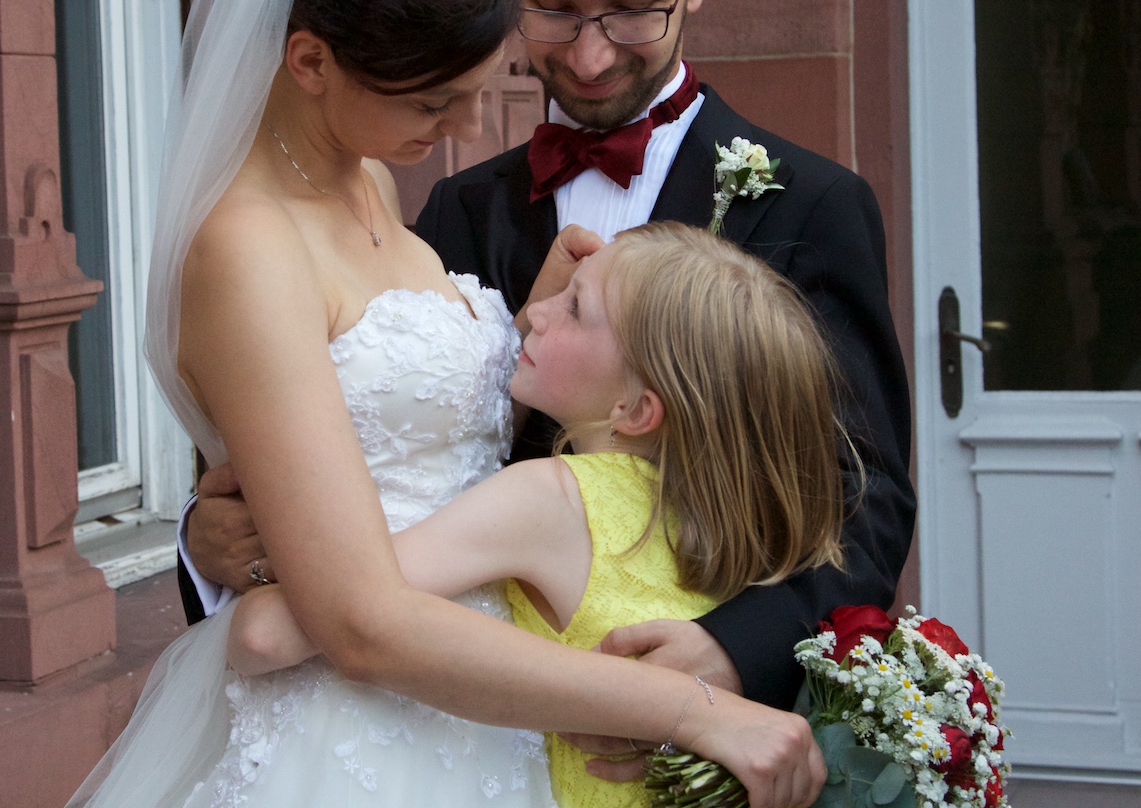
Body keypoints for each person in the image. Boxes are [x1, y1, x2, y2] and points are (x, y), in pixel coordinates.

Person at [68, 0, 824, 808]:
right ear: (310, 62)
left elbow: (419, 443)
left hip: (489, 699)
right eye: (434, 101)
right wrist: (690, 711)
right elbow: (356, 617)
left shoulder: (370, 180)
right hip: (356, 730)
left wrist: (524, 331)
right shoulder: (245, 248)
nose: (467, 125)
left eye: (476, 88)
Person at [185, 0, 914, 749]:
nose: (590, 53)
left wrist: (733, 651)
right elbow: (387, 448)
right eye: (554, 9)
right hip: (459, 707)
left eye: (630, 9)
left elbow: (864, 496)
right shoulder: (457, 208)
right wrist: (212, 549)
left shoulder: (811, 206)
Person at [225, 221, 854, 808]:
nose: (540, 312)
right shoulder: (708, 518)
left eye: (576, 307)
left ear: (636, 410)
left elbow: (267, 635)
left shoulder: (551, 499)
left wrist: (268, 572)